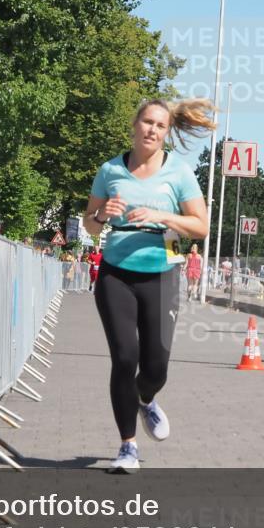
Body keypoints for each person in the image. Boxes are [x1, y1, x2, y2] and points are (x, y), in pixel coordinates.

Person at [83, 98, 213, 474]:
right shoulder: (110, 170)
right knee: (125, 358)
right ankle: (127, 446)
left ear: (166, 132)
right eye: (147, 122)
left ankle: (146, 399)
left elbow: (201, 227)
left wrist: (160, 214)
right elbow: (90, 223)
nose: (152, 130)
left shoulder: (179, 172)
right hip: (116, 272)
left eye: (160, 125)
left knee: (155, 365)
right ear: (135, 124)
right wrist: (99, 215)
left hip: (162, 272)